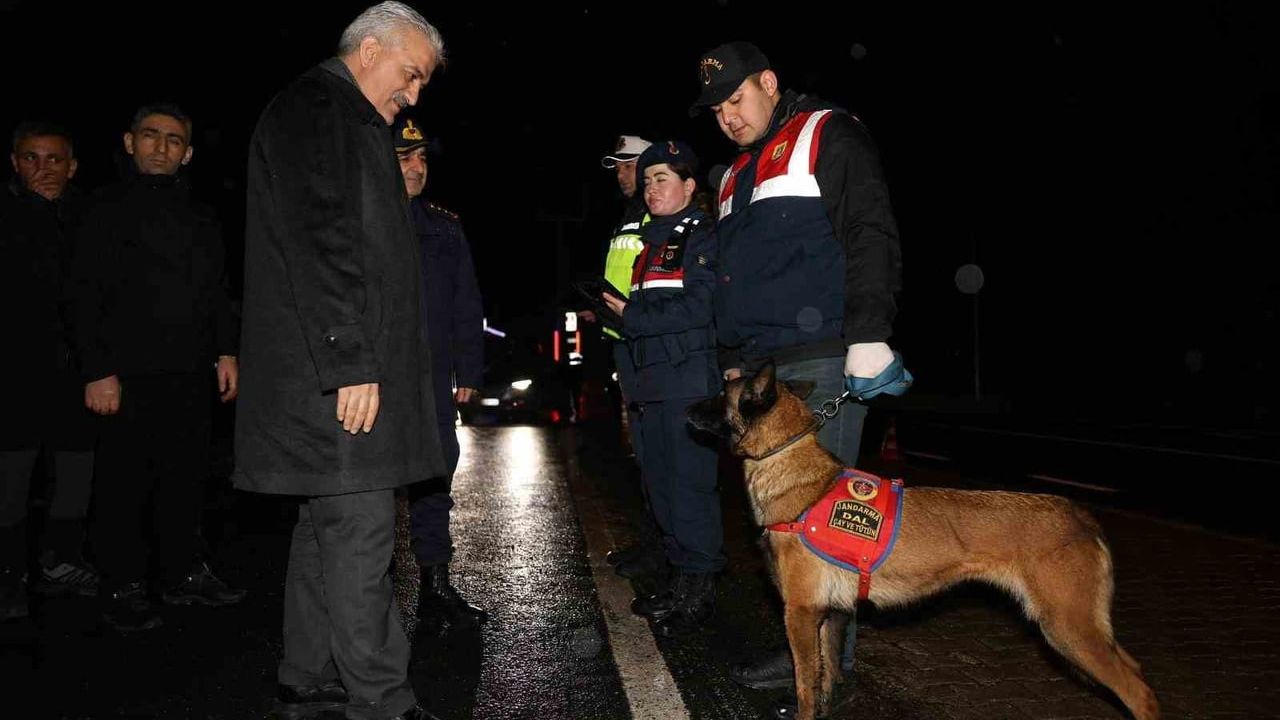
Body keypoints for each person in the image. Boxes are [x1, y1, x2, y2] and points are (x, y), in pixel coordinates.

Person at [233, 3, 448, 719]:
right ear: (372, 48)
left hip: (320, 376)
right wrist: (351, 360)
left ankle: (307, 669)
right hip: (334, 375)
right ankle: (384, 701)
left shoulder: (337, 114)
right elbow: (321, 243)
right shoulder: (318, 109)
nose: (413, 95)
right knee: (360, 533)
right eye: (411, 74)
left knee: (325, 527)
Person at [690, 41, 904, 691]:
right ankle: (806, 656)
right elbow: (730, 277)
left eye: (737, 99)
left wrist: (870, 336)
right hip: (759, 369)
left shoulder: (826, 132)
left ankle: (822, 673)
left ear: (769, 83)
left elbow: (870, 232)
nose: (728, 117)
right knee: (783, 528)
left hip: (823, 357)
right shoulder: (731, 175)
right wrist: (731, 361)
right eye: (717, 109)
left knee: (823, 528)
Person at [70, 103, 243, 633]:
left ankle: (182, 573)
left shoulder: (201, 214)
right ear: (129, 142)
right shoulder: (101, 209)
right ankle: (121, 584)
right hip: (124, 377)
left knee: (186, 481)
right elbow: (82, 294)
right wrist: (97, 370)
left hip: (189, 372)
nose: (161, 147)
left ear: (187, 153)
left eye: (173, 139)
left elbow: (219, 291)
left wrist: (226, 351)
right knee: (123, 485)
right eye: (151, 136)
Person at [602, 140, 724, 637]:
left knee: (689, 486)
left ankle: (700, 587)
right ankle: (679, 577)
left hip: (687, 383)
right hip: (648, 381)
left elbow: (699, 306)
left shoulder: (702, 235)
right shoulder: (648, 239)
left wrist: (631, 315)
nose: (652, 188)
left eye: (663, 179)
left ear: (690, 186)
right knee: (659, 485)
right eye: (647, 179)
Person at [392, 115, 487, 630]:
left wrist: (467, 369)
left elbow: (464, 304)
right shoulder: (362, 224)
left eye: (422, 158)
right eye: (404, 158)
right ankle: (365, 598)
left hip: (430, 382)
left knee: (434, 482)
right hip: (375, 383)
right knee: (369, 496)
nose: (416, 167)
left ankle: (436, 586)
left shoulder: (444, 228)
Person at [0, 121, 97, 620]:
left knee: (76, 470)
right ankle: (10, 576)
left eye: (54, 159)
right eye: (32, 158)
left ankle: (60, 562)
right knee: (12, 478)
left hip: (75, 374)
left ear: (72, 166)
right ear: (15, 163)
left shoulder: (87, 219)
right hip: (15, 377)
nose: (44, 169)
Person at [593, 134, 657, 579]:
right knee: (643, 454)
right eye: (617, 167)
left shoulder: (658, 214)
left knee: (661, 456)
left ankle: (668, 552)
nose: (620, 175)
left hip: (651, 345)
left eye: (627, 165)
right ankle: (652, 544)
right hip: (626, 345)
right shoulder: (629, 216)